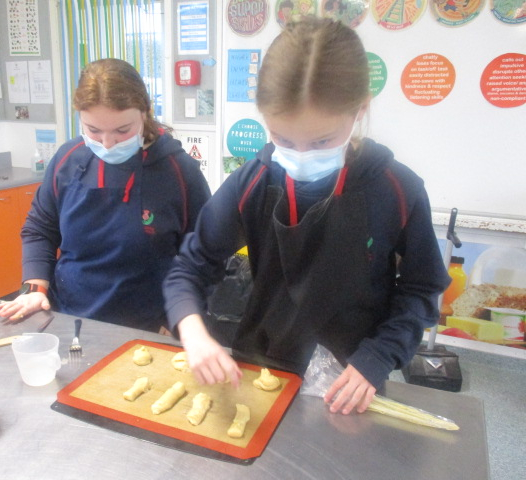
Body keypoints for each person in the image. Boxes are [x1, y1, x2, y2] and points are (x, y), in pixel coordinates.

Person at [163, 18, 450, 415]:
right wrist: (193, 330)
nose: (300, 157)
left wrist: (380, 355)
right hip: (258, 366)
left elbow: (421, 288)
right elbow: (190, 266)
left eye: (322, 141)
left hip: (352, 381)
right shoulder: (254, 182)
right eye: (283, 139)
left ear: (360, 108)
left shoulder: (396, 189)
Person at [0, 58, 211, 333]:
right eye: (94, 130)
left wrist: (183, 318)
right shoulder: (67, 160)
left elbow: (202, 254)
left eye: (122, 130)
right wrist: (36, 288)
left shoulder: (179, 171)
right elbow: (40, 228)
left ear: (145, 112)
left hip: (151, 325)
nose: (107, 144)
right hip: (69, 318)